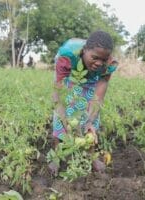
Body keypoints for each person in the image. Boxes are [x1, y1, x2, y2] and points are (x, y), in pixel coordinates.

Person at [49, 30, 118, 175]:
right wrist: (65, 121)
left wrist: (89, 121)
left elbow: (97, 97)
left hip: (92, 77)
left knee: (90, 119)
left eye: (103, 59)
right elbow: (58, 96)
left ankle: (91, 156)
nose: (99, 63)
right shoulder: (66, 58)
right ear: (85, 49)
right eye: (95, 57)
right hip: (71, 70)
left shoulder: (108, 64)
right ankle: (56, 156)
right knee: (66, 107)